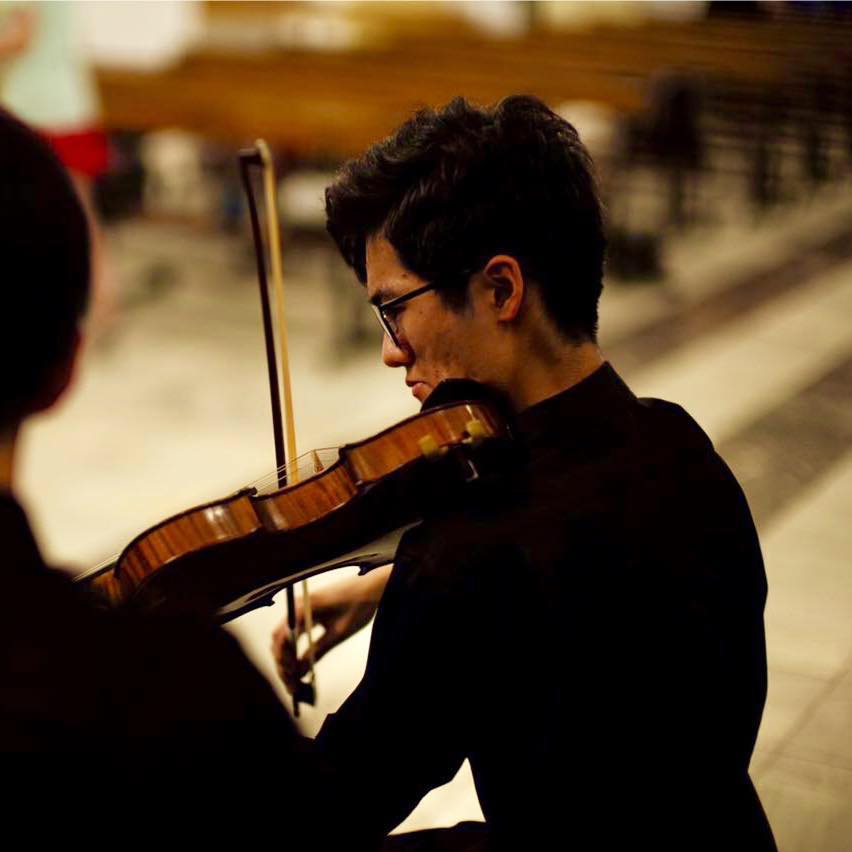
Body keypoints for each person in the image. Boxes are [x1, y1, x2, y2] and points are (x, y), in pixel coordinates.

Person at [272, 95, 776, 850]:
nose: (390, 350)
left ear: (501, 289)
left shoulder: (465, 557)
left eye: (394, 310)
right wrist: (386, 589)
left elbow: (336, 802)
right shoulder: (680, 443)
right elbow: (584, 577)